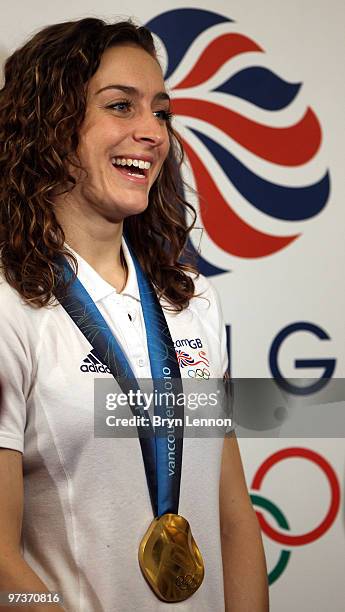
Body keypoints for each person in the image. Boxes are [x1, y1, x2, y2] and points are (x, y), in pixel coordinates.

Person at [0, 17, 268, 612]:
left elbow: (233, 520)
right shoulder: (9, 308)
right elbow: (1, 558)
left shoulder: (193, 299)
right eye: (121, 107)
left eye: (162, 112)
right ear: (50, 125)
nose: (152, 131)